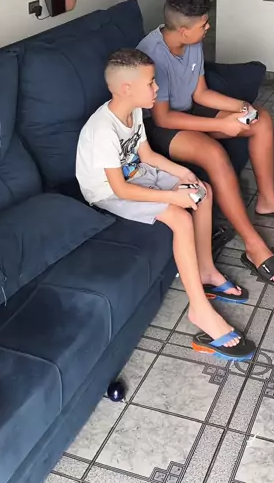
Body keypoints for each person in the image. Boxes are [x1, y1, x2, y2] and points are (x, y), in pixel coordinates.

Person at [76, 47, 255, 362]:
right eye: (150, 83)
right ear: (126, 89)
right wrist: (173, 196)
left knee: (203, 191)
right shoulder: (103, 129)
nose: (157, 88)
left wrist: (183, 174)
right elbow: (120, 188)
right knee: (179, 217)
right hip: (109, 192)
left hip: (137, 173)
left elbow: (146, 156)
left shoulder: (134, 111)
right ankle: (200, 310)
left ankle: (206, 271)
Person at [138, 0, 274, 286]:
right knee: (214, 153)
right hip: (159, 126)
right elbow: (164, 118)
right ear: (183, 30)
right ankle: (254, 245)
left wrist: (241, 107)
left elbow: (201, 93)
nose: (208, 28)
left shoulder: (192, 42)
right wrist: (220, 125)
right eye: (203, 25)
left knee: (260, 119)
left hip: (188, 109)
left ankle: (267, 200)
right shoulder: (152, 55)